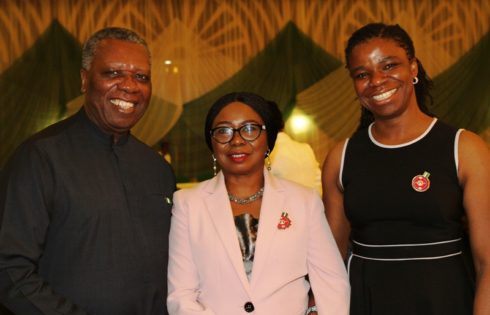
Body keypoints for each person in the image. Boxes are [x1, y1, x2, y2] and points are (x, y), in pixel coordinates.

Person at [0, 27, 176, 314]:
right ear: (85, 80)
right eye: (114, 73)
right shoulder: (41, 158)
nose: (130, 86)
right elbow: (8, 268)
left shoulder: (157, 168)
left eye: (141, 76)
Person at [322, 22, 490, 314]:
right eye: (362, 74)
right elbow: (331, 263)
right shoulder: (341, 157)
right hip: (367, 303)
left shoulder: (464, 147)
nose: (376, 81)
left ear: (413, 68)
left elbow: (487, 261)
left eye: (389, 66)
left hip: (446, 301)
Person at [167, 92, 350, 315]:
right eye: (223, 131)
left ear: (268, 140)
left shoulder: (303, 202)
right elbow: (181, 294)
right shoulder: (188, 204)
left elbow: (331, 282)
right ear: (212, 144)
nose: (236, 140)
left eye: (250, 128)